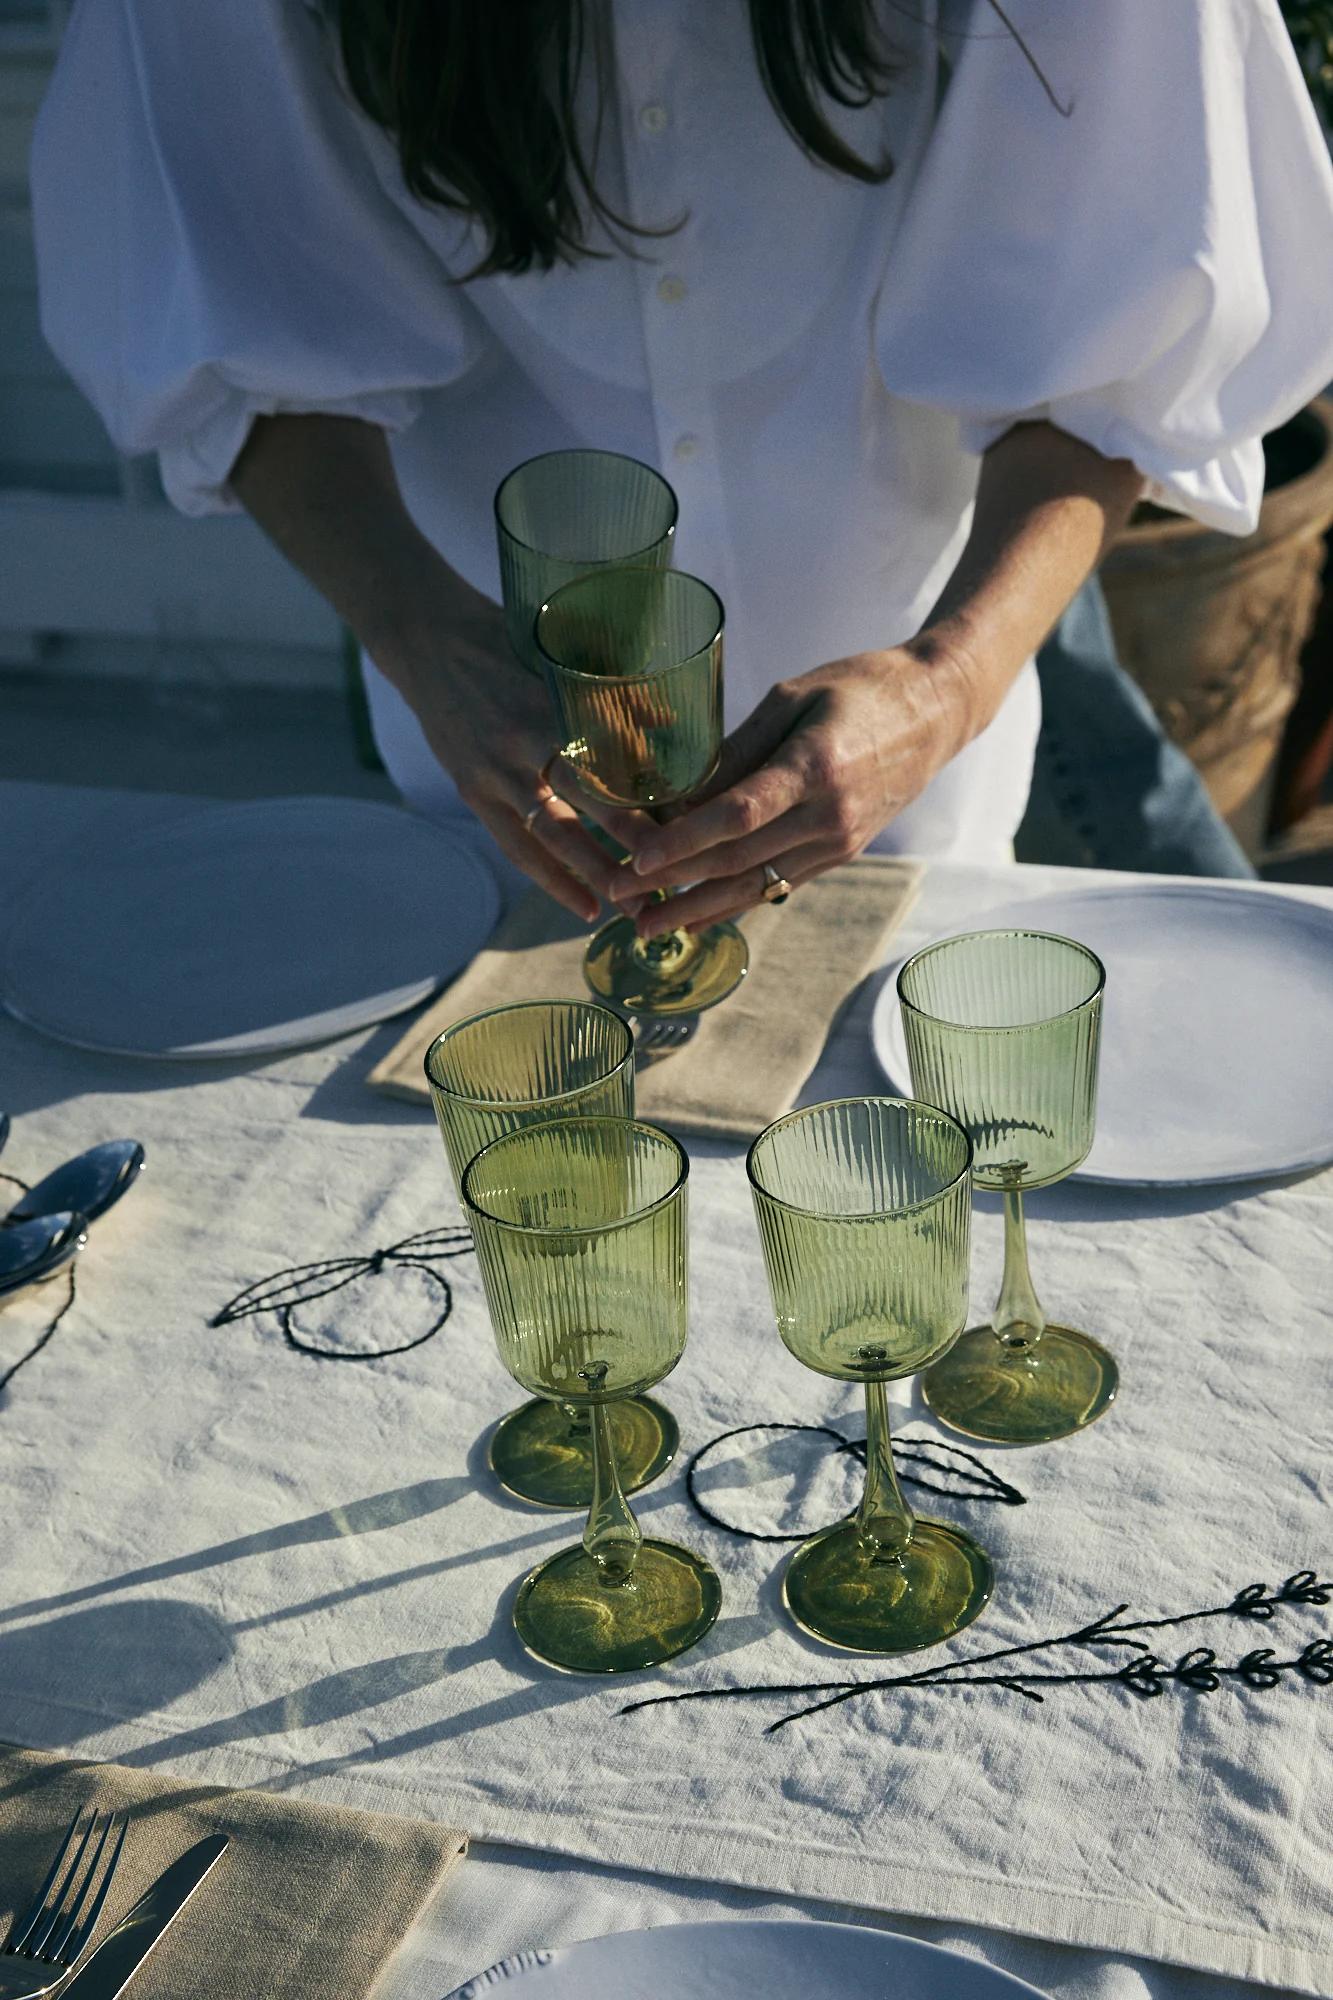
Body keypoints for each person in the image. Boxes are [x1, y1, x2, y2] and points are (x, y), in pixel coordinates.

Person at [30, 1, 1333, 933]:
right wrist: (421, 638)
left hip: (913, 777)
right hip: (510, 797)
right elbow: (226, 299)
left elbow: (1119, 311)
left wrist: (943, 687)